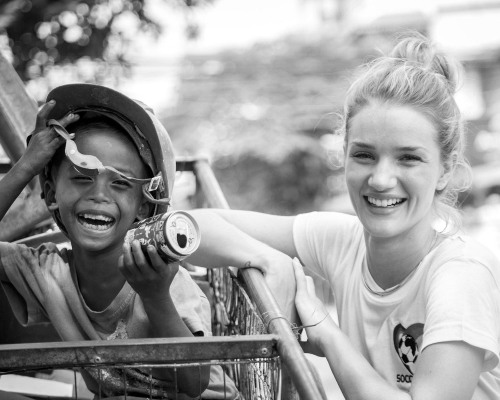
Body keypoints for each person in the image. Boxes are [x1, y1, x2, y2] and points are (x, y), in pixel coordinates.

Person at [186, 33, 500, 400]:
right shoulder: (342, 240)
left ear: (445, 170)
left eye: (408, 158)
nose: (381, 179)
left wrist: (327, 333)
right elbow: (193, 228)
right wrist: (271, 259)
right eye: (364, 155)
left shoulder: (461, 274)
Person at [0, 84, 238, 399]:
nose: (99, 194)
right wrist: (27, 167)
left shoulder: (161, 278)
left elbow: (194, 383)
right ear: (51, 192)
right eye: (82, 176)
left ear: (143, 205)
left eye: (121, 183)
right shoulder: (46, 273)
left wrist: (155, 297)